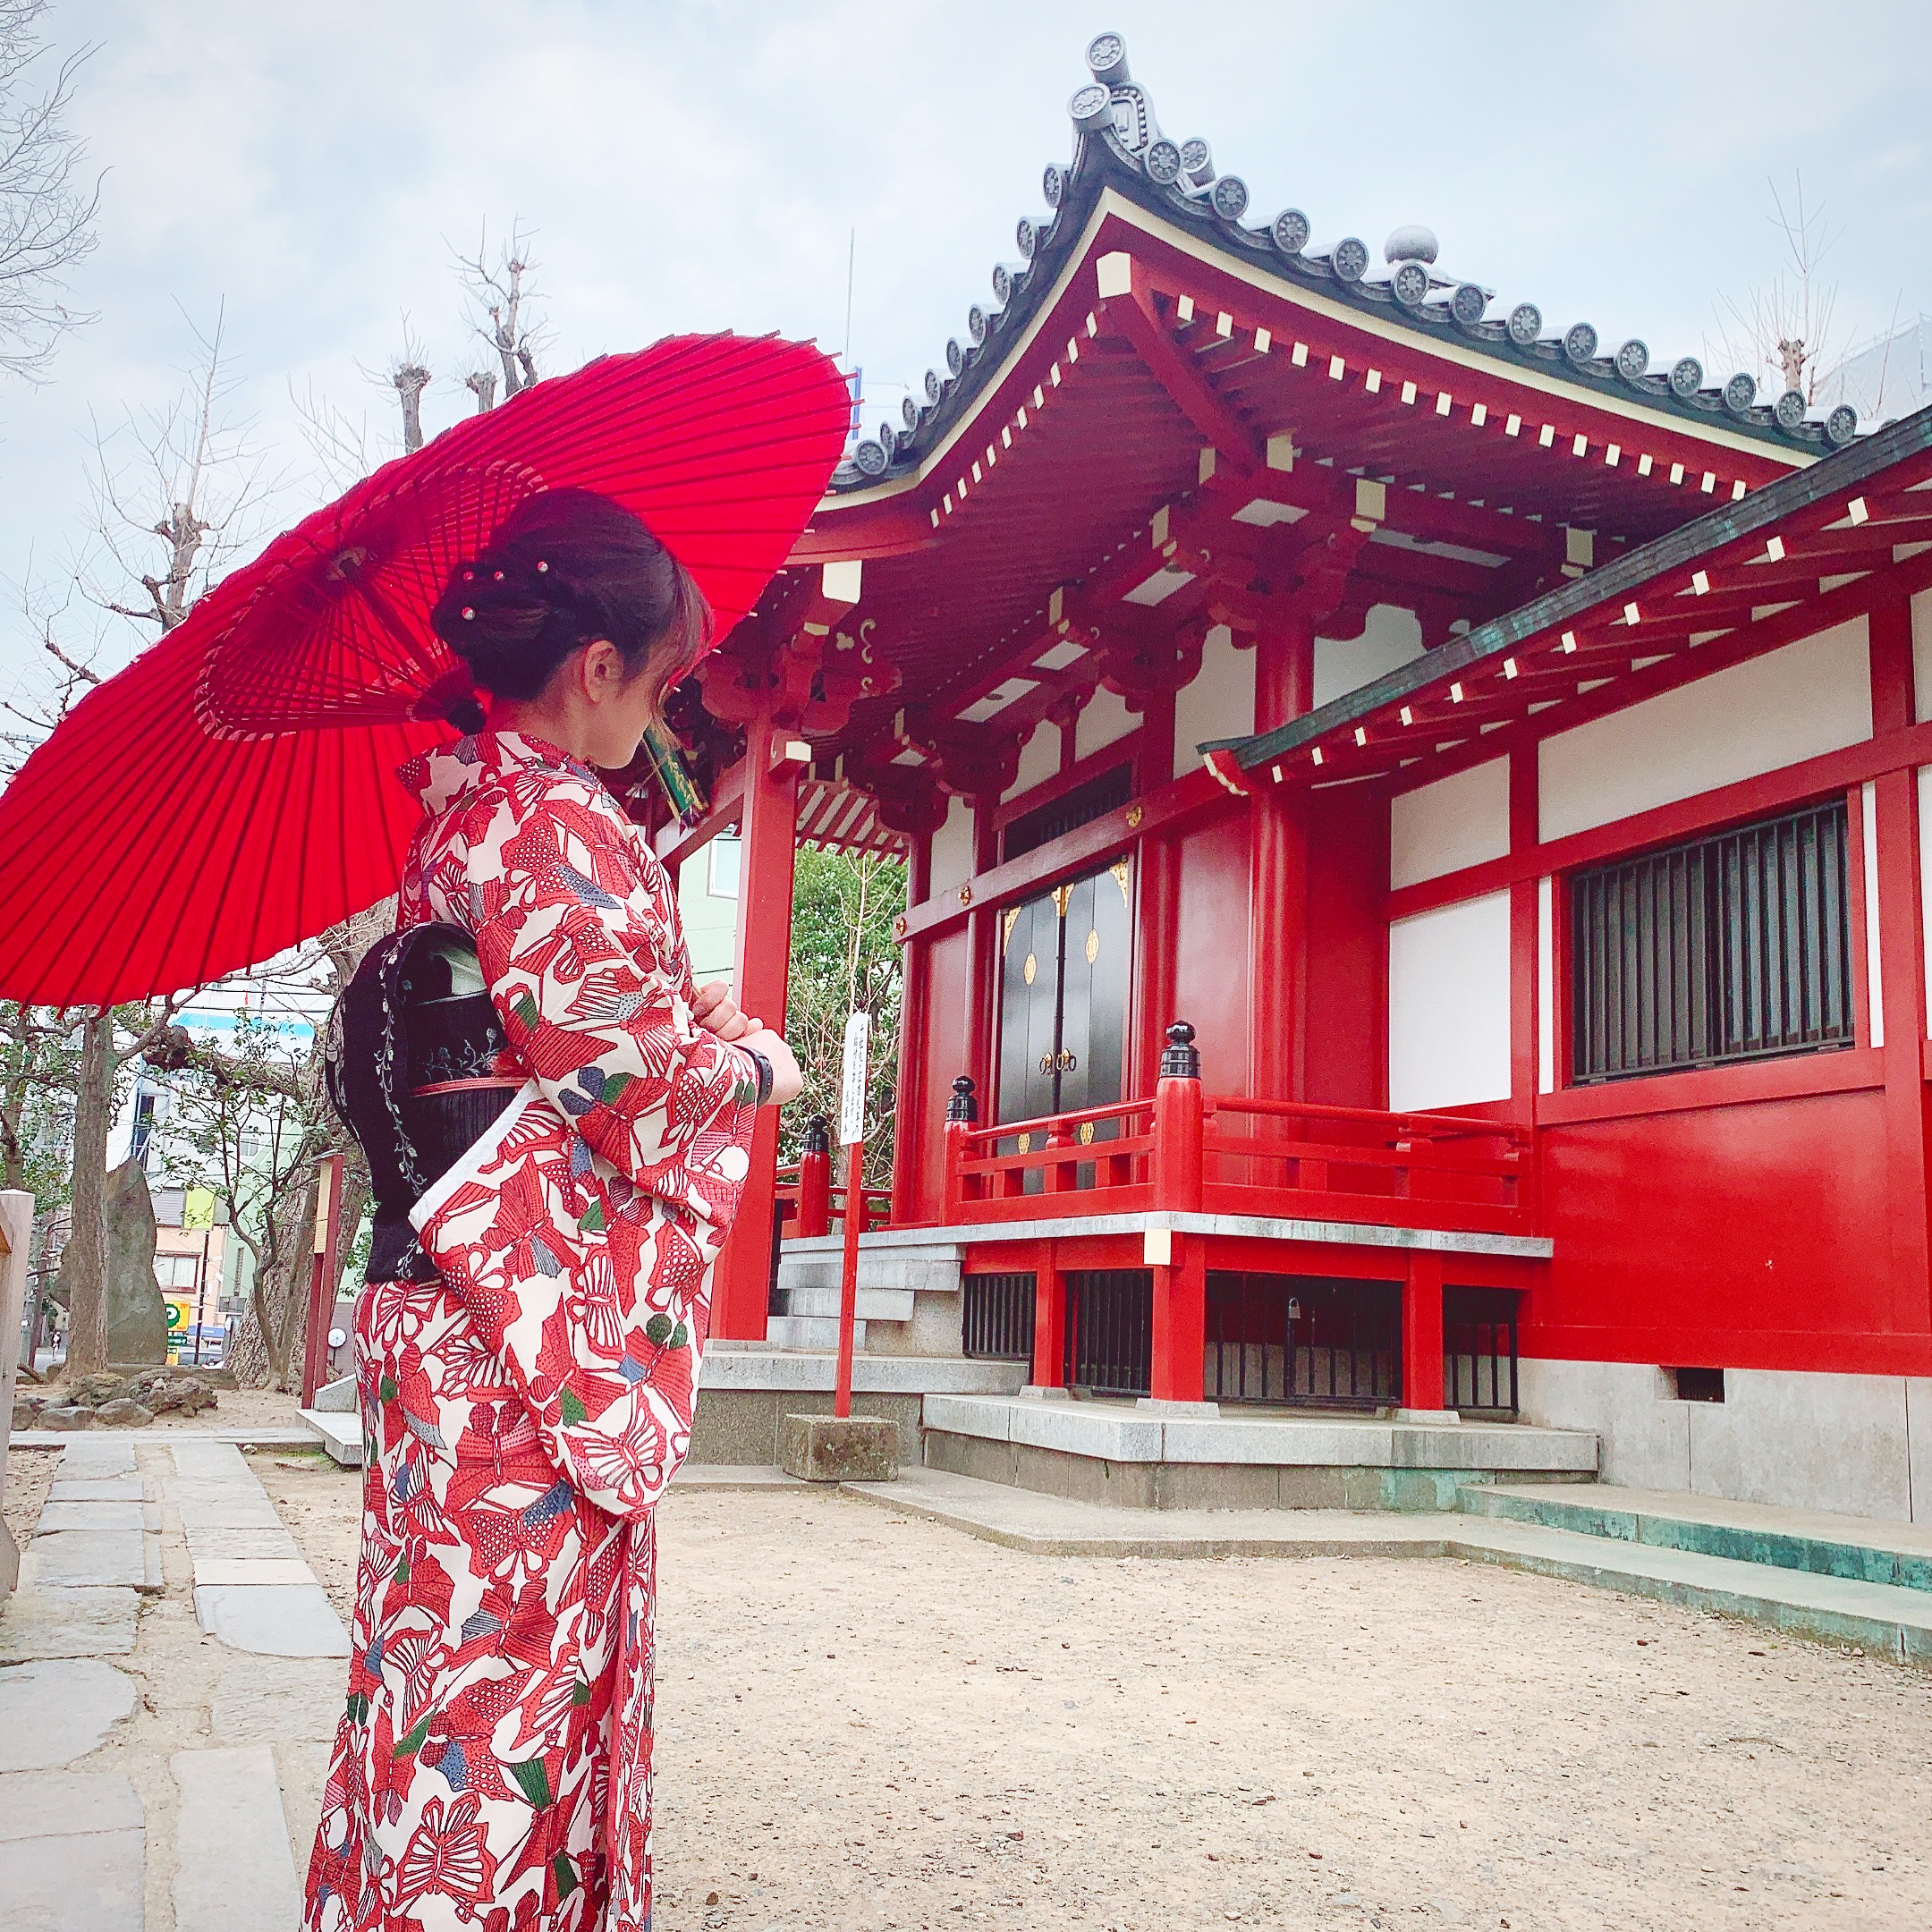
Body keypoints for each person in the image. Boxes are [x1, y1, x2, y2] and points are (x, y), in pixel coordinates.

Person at [305, 487, 802, 1932]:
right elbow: (635, 1094)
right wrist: (751, 1057)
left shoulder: (475, 815)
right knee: (499, 1715)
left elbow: (576, 1042)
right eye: (656, 686)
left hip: (453, 1316)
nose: (657, 719)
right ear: (595, 669)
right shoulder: (553, 826)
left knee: (440, 1689)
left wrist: (664, 1015)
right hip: (516, 1352)